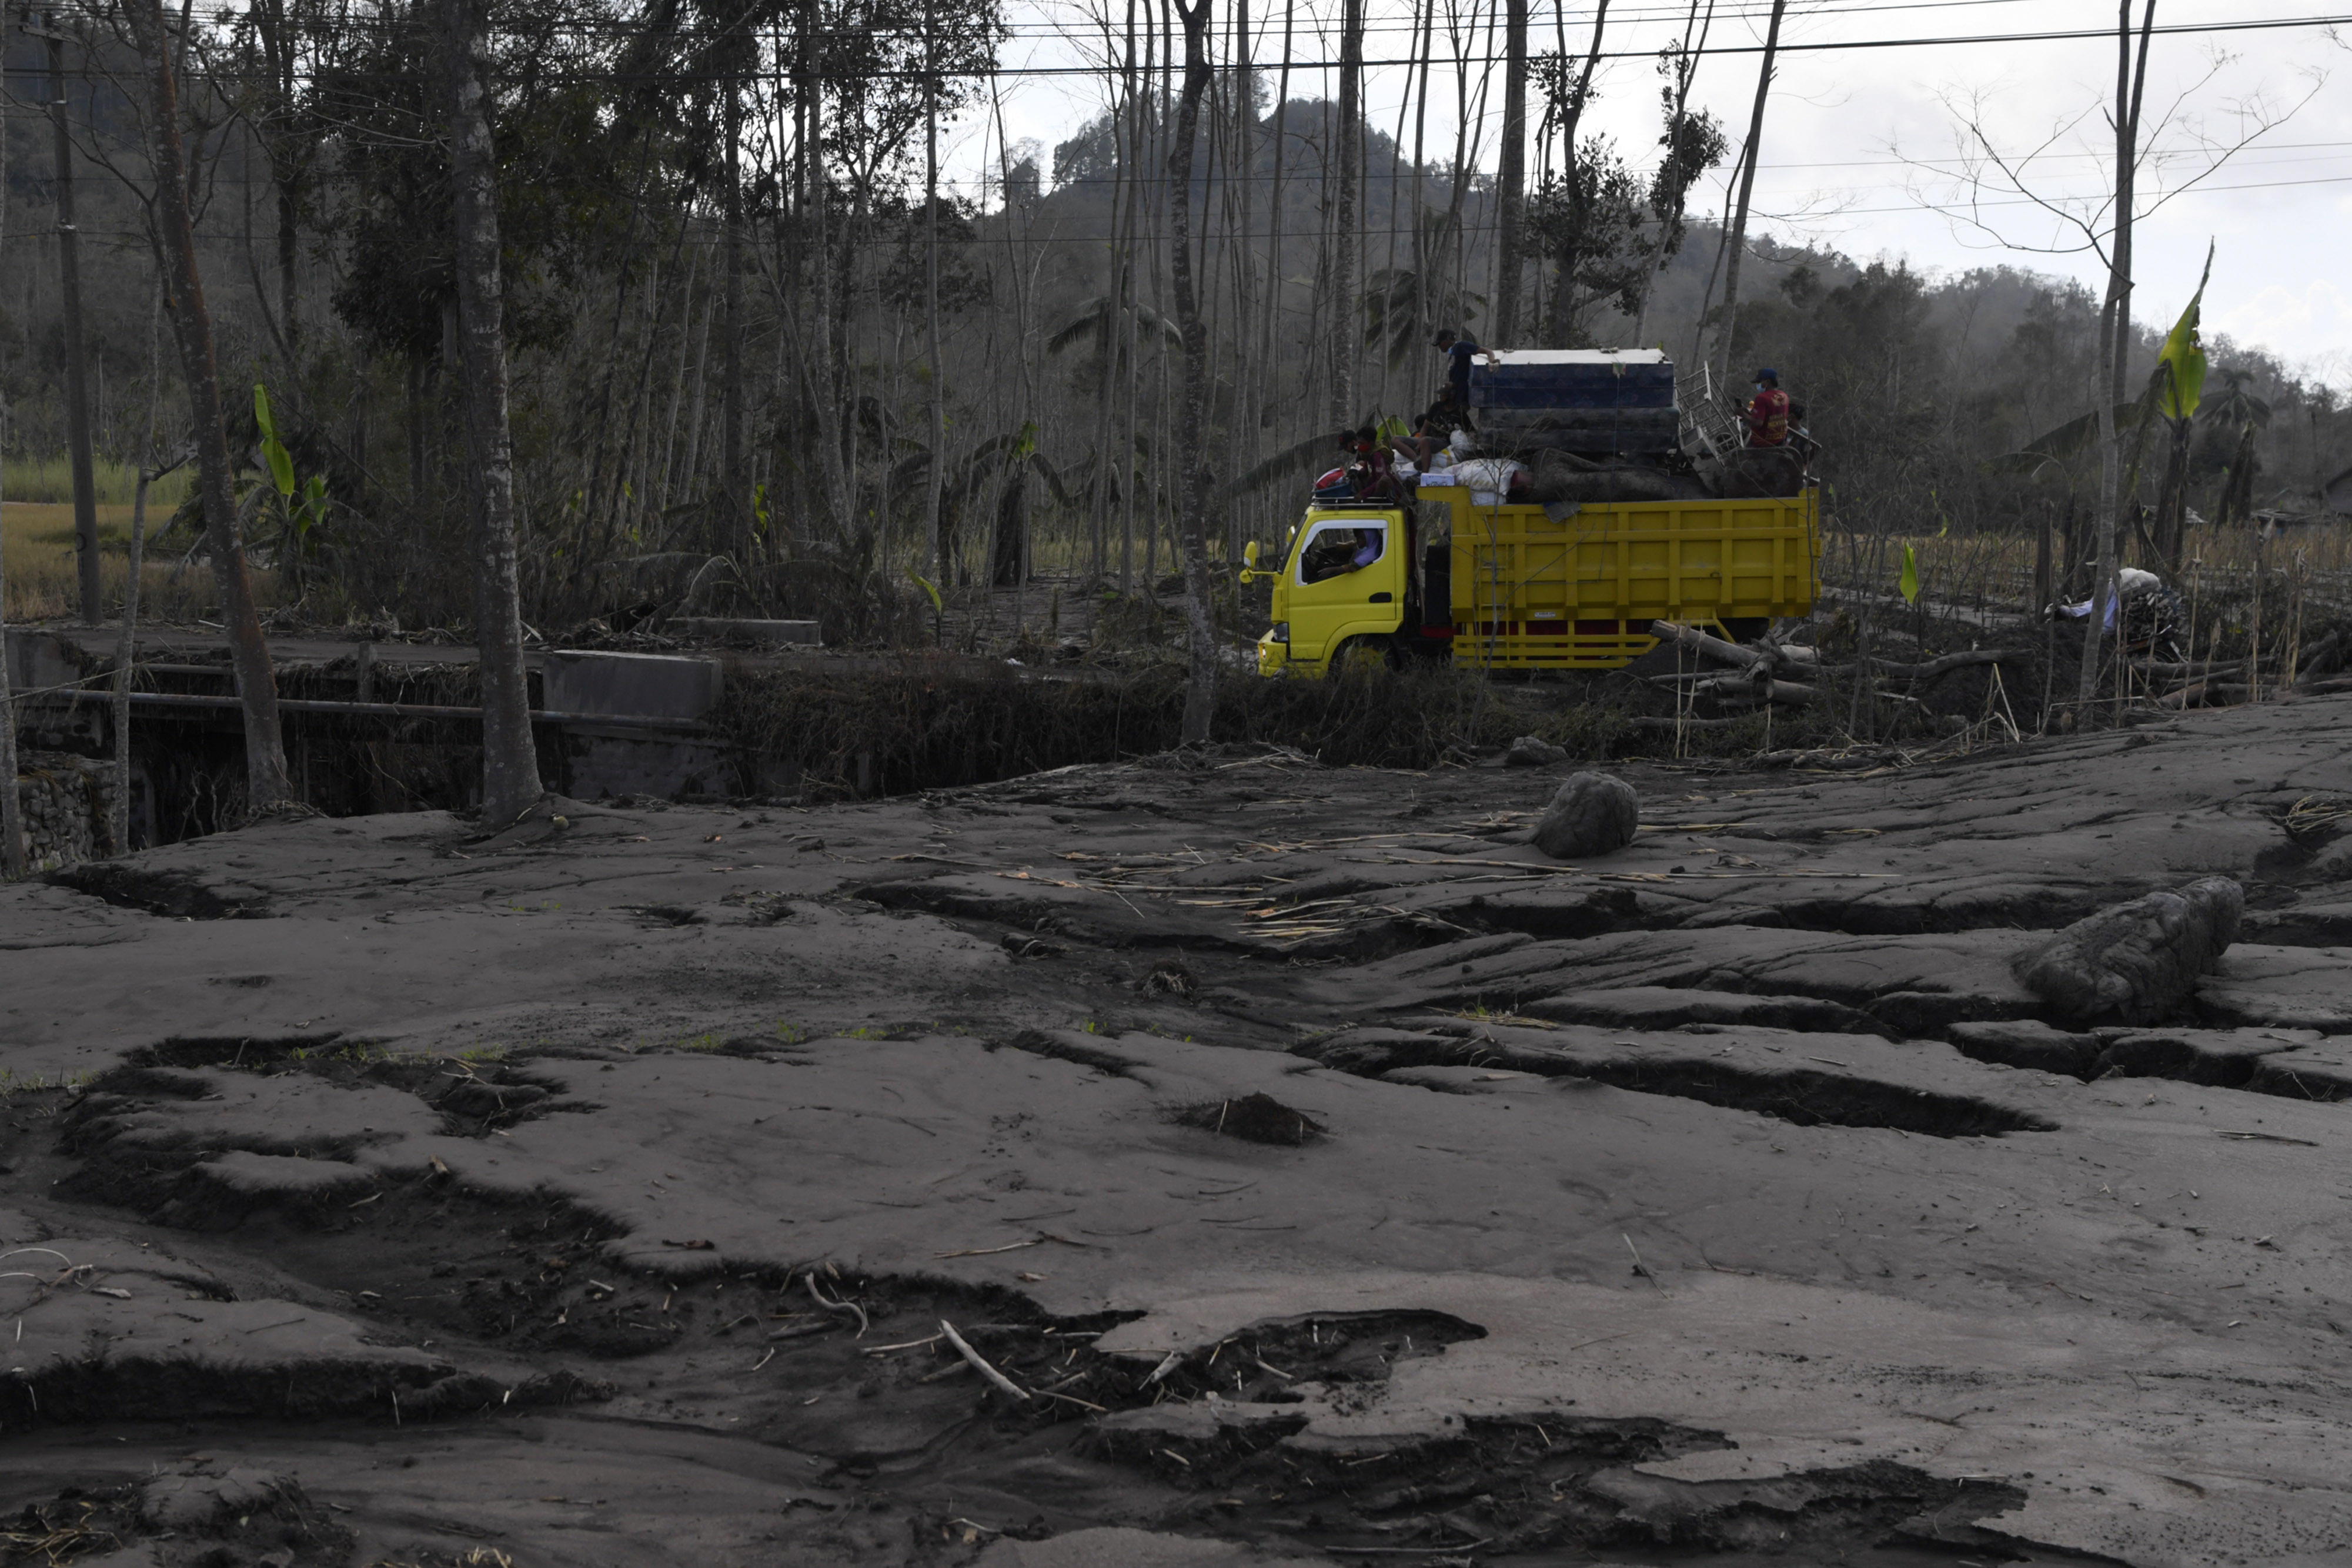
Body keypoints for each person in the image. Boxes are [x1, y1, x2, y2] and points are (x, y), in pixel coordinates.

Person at [1431, 327, 1482, 420]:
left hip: (1462, 396)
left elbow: (1485, 351)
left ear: (1448, 340)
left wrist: (1493, 361)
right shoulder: (1453, 354)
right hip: (1455, 398)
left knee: (1455, 420)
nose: (1440, 346)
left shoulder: (1461, 346)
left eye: (1440, 343)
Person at [1740, 367, 1790, 448]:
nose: (1758, 385)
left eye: (1760, 382)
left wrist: (1742, 414)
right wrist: (1750, 414)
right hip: (1780, 442)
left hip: (1762, 444)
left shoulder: (1762, 398)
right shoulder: (1784, 396)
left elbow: (1758, 423)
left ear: (1767, 382)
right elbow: (1771, 414)